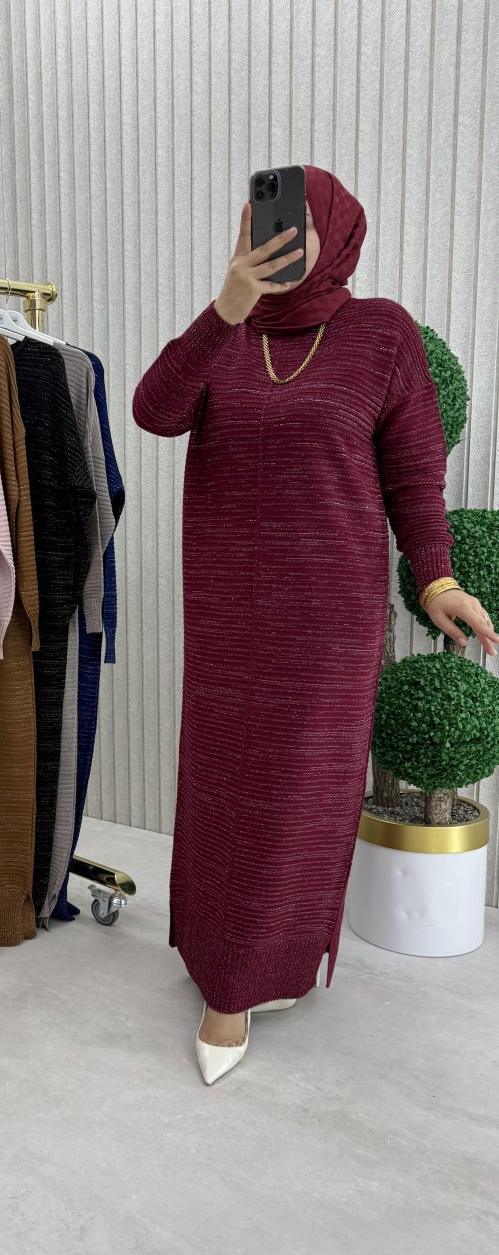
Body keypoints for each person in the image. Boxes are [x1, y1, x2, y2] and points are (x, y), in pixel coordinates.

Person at [132, 165, 499, 1085]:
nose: (275, 239)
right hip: (227, 611)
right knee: (223, 783)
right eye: (260, 224)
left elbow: (413, 472)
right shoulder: (225, 335)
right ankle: (220, 957)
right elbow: (153, 410)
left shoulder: (382, 334)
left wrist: (438, 577)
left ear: (332, 234)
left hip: (330, 617)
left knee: (301, 795)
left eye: (293, 226)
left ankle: (254, 975)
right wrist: (227, 304)